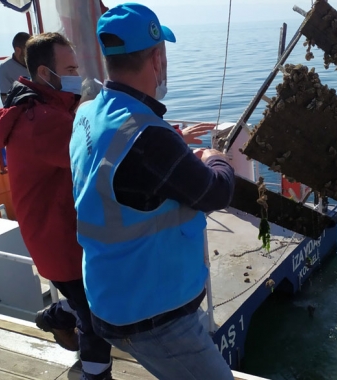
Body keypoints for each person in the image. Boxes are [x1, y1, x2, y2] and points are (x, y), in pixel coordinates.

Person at [69, 3, 235, 379]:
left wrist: (176, 150)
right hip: (154, 315)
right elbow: (216, 192)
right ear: (158, 58)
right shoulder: (149, 138)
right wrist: (215, 156)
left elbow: (127, 179)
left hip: (107, 294)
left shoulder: (87, 114)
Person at [0, 32, 113, 380]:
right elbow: (97, 156)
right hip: (59, 236)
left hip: (57, 230)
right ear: (45, 73)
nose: (78, 74)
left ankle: (55, 317)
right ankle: (95, 375)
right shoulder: (42, 121)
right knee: (96, 317)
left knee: (89, 302)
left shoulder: (44, 106)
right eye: (70, 67)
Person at [0, 32, 31, 104]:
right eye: (28, 51)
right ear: (18, 50)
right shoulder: (4, 68)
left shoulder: (38, 61)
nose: (32, 54)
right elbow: (6, 100)